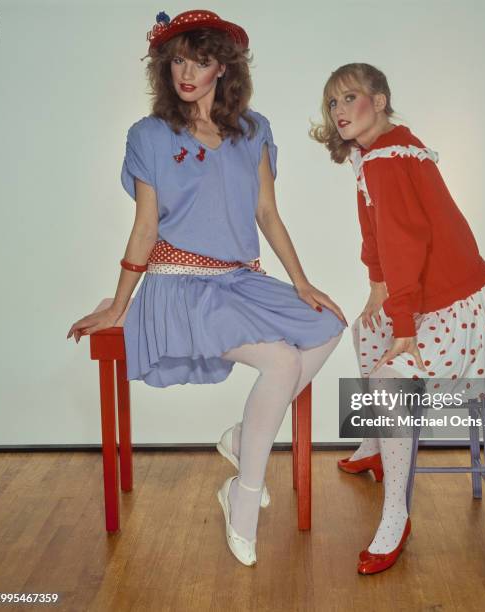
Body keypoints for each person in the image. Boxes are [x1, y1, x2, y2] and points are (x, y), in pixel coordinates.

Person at [67, 9, 346, 566]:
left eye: (200, 60)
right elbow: (146, 226)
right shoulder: (148, 136)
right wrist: (118, 306)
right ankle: (242, 496)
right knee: (283, 365)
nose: (186, 72)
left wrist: (302, 282)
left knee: (329, 323)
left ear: (224, 66)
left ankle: (245, 439)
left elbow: (267, 212)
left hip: (239, 279)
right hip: (179, 288)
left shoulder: (254, 129)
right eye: (176, 61)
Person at [310, 63, 485, 575]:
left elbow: (405, 244)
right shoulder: (381, 151)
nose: (339, 111)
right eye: (332, 104)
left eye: (349, 99)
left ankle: (396, 515)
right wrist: (377, 289)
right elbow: (376, 233)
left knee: (390, 378)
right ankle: (373, 442)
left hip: (461, 306)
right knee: (367, 330)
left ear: (380, 101)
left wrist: (405, 326)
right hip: (434, 297)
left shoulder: (388, 160)